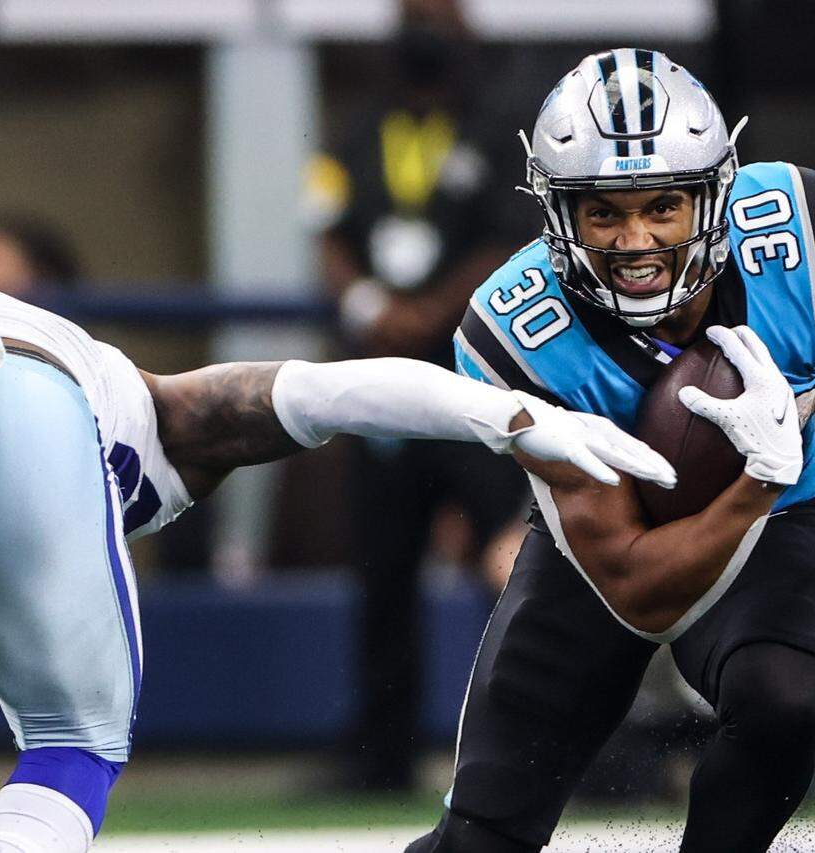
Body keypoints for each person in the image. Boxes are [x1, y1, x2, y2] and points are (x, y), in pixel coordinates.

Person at [408, 49, 815, 853]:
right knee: (482, 837)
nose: (636, 241)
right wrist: (754, 480)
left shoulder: (802, 235)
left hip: (777, 529)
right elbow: (634, 587)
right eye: (605, 213)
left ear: (715, 195)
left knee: (783, 699)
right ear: (559, 214)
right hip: (599, 558)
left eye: (664, 206)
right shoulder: (518, 332)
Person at [0, 287, 674, 853]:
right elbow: (329, 392)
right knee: (70, 745)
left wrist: (513, 416)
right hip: (8, 403)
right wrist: (511, 415)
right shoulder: (164, 417)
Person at [315, 0, 534, 790]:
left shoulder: (502, 125)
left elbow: (512, 239)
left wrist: (427, 314)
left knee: (510, 560)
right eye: (413, 17)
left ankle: (524, 743)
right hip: (378, 384)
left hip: (476, 377)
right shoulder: (357, 127)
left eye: (438, 17)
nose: (425, 33)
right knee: (383, 566)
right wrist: (373, 308)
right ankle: (381, 752)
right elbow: (328, 229)